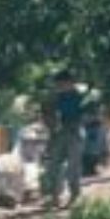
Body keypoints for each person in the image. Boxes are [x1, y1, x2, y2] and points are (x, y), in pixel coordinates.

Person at [40, 68, 86, 207]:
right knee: (54, 164)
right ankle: (54, 196)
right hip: (59, 132)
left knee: (73, 165)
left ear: (70, 83)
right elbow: (46, 113)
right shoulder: (54, 97)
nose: (59, 87)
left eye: (61, 84)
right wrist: (51, 124)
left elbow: (88, 113)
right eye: (58, 84)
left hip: (75, 130)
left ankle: (74, 195)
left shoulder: (80, 95)